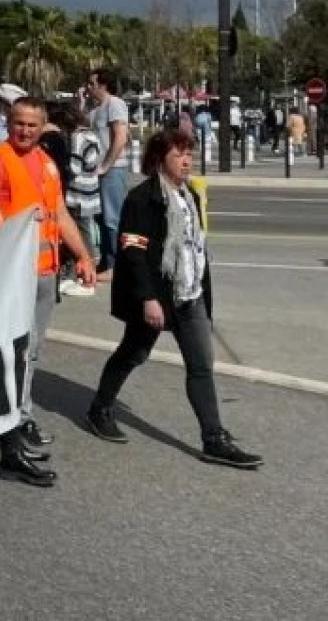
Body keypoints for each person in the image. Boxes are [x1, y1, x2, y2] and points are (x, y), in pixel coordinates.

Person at [85, 129, 262, 469]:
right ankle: (99, 409)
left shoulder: (189, 196)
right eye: (178, 154)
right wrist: (148, 299)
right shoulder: (142, 198)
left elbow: (196, 248)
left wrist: (202, 293)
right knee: (132, 353)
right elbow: (133, 254)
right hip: (156, 296)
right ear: (158, 160)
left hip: (188, 294)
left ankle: (214, 439)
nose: (186, 161)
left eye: (189, 154)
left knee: (200, 366)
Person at [0, 97, 99, 486]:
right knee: (14, 353)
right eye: (19, 123)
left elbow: (61, 214)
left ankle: (21, 416)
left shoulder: (47, 163)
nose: (25, 131)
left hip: (45, 272)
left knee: (31, 352)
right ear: (8, 122)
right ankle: (12, 422)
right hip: (13, 275)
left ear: (44, 125)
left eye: (33, 125)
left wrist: (83, 255)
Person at [55, 103, 102, 298]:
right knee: (84, 232)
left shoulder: (76, 138)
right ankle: (81, 273)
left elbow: (73, 167)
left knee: (80, 236)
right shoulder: (92, 135)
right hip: (90, 191)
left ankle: (84, 276)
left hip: (77, 193)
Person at [87, 68, 130, 281]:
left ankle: (116, 264)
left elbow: (120, 137)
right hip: (98, 170)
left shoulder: (115, 104)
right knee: (101, 217)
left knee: (113, 217)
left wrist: (106, 165)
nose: (88, 88)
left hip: (112, 169)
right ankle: (106, 259)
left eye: (92, 84)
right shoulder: (95, 109)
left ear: (103, 85)